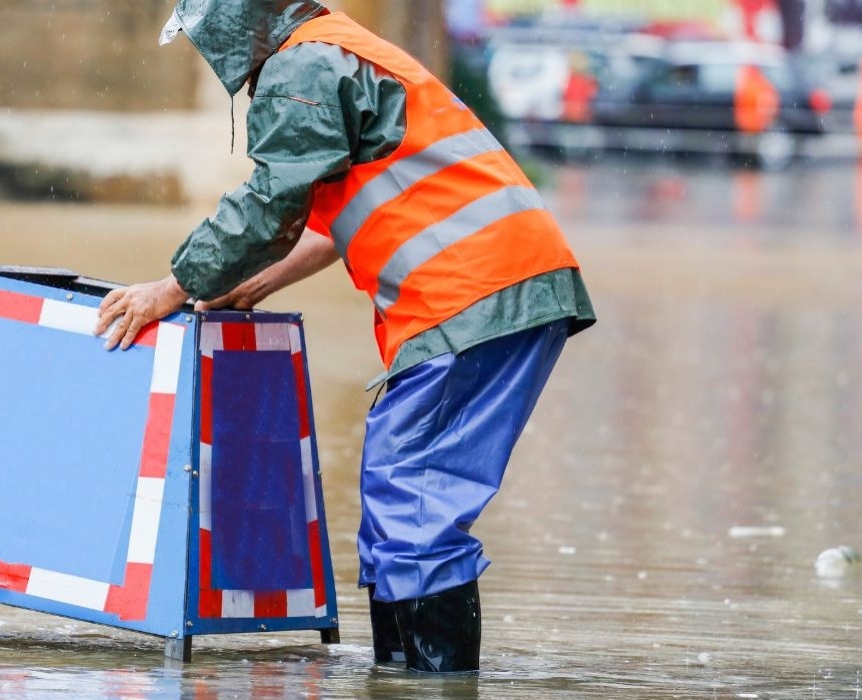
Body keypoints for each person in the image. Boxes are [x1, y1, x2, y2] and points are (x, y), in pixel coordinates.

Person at [93, 0, 595, 674]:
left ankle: (434, 683)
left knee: (413, 501)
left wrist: (172, 288)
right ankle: (400, 677)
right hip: (491, 290)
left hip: (473, 293)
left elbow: (272, 202)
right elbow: (332, 220)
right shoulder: (339, 49)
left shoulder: (303, 64)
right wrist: (258, 283)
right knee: (398, 496)